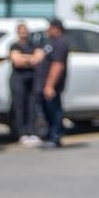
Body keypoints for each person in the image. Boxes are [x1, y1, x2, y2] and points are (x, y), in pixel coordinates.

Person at [35, 18, 70, 149]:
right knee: (47, 111)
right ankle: (50, 135)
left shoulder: (61, 42)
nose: (47, 30)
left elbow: (57, 65)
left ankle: (55, 137)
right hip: (44, 84)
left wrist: (49, 85)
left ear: (55, 28)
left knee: (54, 110)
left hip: (52, 85)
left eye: (49, 27)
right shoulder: (51, 42)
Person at [9, 21, 43, 145]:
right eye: (21, 31)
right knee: (19, 106)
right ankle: (21, 133)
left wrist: (25, 58)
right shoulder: (14, 45)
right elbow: (17, 61)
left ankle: (32, 132)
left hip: (32, 79)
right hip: (18, 79)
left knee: (32, 106)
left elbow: (38, 58)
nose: (23, 33)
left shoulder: (34, 45)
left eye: (25, 31)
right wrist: (30, 58)